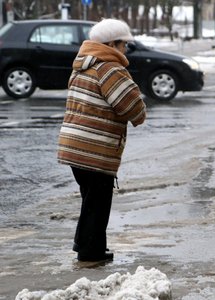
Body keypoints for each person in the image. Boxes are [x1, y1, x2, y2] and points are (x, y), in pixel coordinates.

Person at [57, 18, 147, 262]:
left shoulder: (83, 66)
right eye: (123, 44)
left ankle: (87, 245)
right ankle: (90, 251)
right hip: (94, 148)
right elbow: (132, 108)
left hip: (75, 146)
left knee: (91, 199)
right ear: (111, 44)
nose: (126, 49)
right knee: (98, 201)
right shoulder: (109, 68)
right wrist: (140, 105)